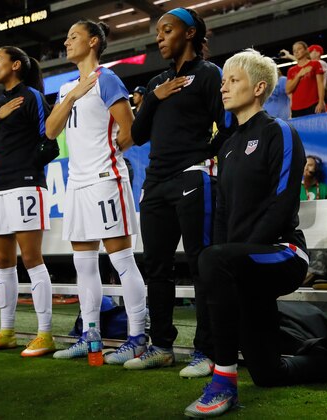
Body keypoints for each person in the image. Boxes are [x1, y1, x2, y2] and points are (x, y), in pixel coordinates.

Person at [183, 48, 327, 419]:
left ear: (259, 88)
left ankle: (223, 379)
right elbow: (222, 210)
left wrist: (229, 254)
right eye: (224, 81)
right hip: (241, 262)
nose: (224, 87)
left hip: (282, 253)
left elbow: (284, 203)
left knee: (211, 258)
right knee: (270, 373)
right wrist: (227, 253)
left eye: (233, 80)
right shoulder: (229, 144)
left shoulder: (279, 131)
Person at [126, 7, 235, 376]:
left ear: (189, 34)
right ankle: (162, 346)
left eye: (167, 30)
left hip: (191, 177)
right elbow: (136, 135)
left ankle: (206, 351)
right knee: (156, 267)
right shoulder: (157, 81)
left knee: (201, 264)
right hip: (155, 182)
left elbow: (227, 127)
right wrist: (154, 96)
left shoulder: (209, 74)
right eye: (158, 31)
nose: (159, 37)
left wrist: (203, 160)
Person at [45, 20, 148, 365]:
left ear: (92, 42)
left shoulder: (108, 79)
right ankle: (91, 337)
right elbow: (50, 130)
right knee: (83, 263)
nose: (66, 41)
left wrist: (110, 156)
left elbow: (131, 130)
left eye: (73, 36)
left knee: (122, 260)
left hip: (105, 180)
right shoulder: (66, 89)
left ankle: (137, 337)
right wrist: (73, 94)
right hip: (76, 184)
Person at [0, 46, 58, 356]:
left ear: (16, 65)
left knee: (32, 259)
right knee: (2, 262)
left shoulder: (33, 97)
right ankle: (7, 331)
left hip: (25, 186)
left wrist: (27, 167)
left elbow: (49, 143)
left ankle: (46, 334)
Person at [299, 155, 327, 286]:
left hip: (319, 231)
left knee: (320, 257)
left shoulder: (324, 189)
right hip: (299, 231)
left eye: (310, 165)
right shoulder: (294, 186)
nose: (307, 167)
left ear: (316, 168)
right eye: (304, 164)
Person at [285, 41, 325, 117]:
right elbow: (288, 90)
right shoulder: (291, 70)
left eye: (299, 49)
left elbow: (320, 84)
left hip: (313, 105)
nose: (296, 52)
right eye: (294, 50)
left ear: (306, 50)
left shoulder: (315, 64)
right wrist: (298, 75)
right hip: (296, 109)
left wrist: (321, 102)